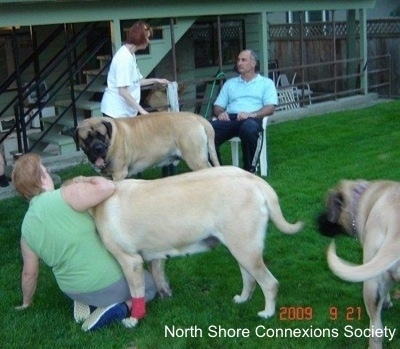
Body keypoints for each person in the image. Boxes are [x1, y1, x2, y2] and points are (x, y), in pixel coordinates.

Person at [12, 153, 156, 332]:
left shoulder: (26, 229)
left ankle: (88, 303)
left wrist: (26, 302)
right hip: (106, 283)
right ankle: (119, 308)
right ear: (42, 178)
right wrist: (86, 178)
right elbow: (107, 186)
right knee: (149, 286)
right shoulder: (66, 195)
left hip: (71, 290)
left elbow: (29, 273)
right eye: (45, 170)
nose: (48, 172)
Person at [211, 49, 278, 173]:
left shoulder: (266, 83)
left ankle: (249, 170)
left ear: (253, 64)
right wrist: (221, 113)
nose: (239, 63)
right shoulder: (230, 84)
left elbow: (270, 108)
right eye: (238, 60)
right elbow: (217, 106)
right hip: (230, 119)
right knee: (206, 131)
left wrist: (252, 114)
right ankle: (218, 172)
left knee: (249, 129)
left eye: (243, 60)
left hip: (251, 118)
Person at [101, 21, 169, 117]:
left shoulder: (130, 54)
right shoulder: (123, 59)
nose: (148, 41)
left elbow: (136, 82)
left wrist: (156, 80)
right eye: (147, 38)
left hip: (124, 111)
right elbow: (122, 90)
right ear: (139, 38)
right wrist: (142, 110)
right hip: (115, 112)